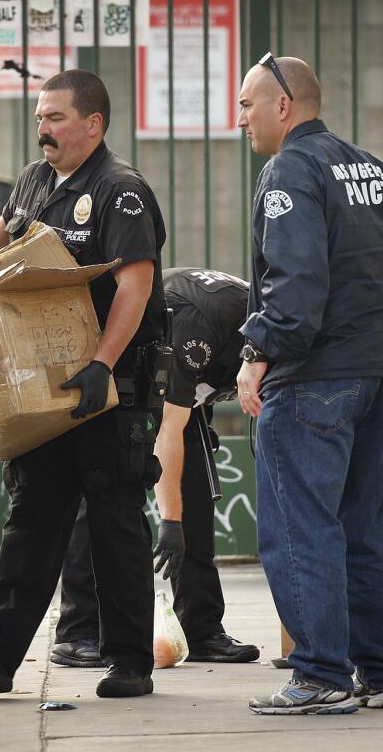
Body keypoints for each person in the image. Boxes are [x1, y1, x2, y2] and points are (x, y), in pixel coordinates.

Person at [0, 69, 168, 698]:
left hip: (110, 384)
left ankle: (130, 662)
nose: (44, 130)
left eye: (56, 118)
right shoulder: (38, 179)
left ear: (94, 124)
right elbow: (8, 226)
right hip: (47, 382)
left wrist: (103, 365)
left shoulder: (122, 192)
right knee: (33, 513)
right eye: (40, 118)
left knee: (115, 517)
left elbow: (135, 285)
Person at [235, 54, 383, 715]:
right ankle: (380, 674)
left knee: (302, 528)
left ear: (285, 105)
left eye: (248, 103)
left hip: (313, 378)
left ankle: (320, 673)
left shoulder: (289, 171)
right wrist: (368, 308)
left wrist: (256, 352)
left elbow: (294, 293)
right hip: (378, 370)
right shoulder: (367, 167)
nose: (239, 117)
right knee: (361, 525)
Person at [50, 267, 260, 669]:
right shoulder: (200, 330)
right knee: (99, 491)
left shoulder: (270, 327)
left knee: (194, 493)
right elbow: (168, 429)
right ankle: (77, 632)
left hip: (181, 392)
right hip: (127, 376)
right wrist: (170, 523)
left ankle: (200, 629)